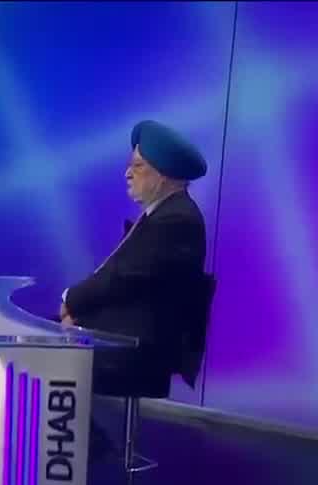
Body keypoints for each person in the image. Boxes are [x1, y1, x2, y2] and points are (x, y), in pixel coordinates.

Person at [61, 120, 208, 458]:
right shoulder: (162, 214)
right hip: (129, 333)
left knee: (48, 356)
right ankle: (83, 446)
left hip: (143, 351)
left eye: (138, 166)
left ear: (164, 174)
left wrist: (72, 303)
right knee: (43, 338)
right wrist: (76, 313)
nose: (127, 174)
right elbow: (121, 280)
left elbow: (123, 278)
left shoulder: (176, 221)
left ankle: (87, 449)